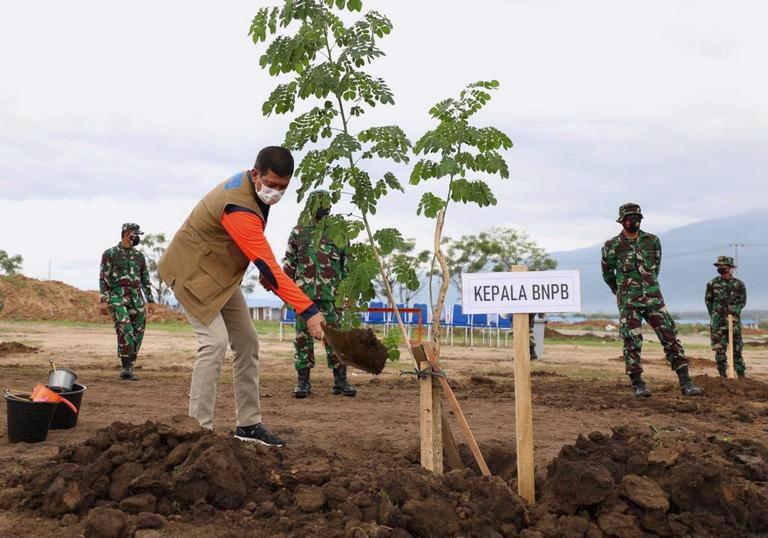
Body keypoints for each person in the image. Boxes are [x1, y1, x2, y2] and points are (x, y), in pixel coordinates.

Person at [158, 146, 325, 447]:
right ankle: (198, 432)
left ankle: (248, 425)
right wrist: (309, 310)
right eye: (271, 185)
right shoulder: (238, 206)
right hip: (191, 273)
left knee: (248, 342)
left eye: (282, 188)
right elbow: (268, 264)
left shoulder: (252, 189)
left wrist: (264, 270)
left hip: (219, 275)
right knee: (214, 342)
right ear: (256, 172)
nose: (275, 192)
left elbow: (254, 252)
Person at [601, 203, 703, 397]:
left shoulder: (652, 241)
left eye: (637, 217)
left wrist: (649, 286)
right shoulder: (612, 246)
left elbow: (656, 267)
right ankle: (638, 384)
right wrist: (620, 290)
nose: (635, 221)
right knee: (632, 342)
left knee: (671, 338)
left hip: (654, 299)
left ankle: (686, 382)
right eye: (630, 218)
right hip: (629, 302)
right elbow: (607, 273)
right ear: (622, 221)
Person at [283, 190, 355, 398]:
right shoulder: (298, 232)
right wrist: (286, 295)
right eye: (321, 203)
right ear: (310, 205)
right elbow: (289, 264)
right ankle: (303, 383)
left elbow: (346, 264)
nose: (326, 207)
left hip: (332, 296)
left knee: (336, 339)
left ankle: (340, 382)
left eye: (328, 203)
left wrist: (347, 293)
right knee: (302, 339)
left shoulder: (338, 233)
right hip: (303, 297)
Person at [99, 223, 155, 381]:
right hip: (117, 297)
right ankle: (126, 367)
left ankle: (129, 364)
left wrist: (150, 301)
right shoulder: (109, 254)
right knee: (125, 329)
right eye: (136, 234)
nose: (137, 238)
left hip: (136, 298)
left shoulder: (139, 256)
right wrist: (103, 300)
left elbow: (145, 280)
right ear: (127, 234)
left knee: (138, 331)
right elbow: (104, 277)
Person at [705, 256, 747, 378]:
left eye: (723, 266)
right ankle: (722, 375)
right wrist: (715, 315)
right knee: (719, 349)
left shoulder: (739, 284)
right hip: (718, 322)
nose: (720, 268)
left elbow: (742, 302)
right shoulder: (712, 284)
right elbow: (708, 301)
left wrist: (733, 313)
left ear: (730, 268)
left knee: (737, 349)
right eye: (719, 266)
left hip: (733, 322)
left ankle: (741, 375)